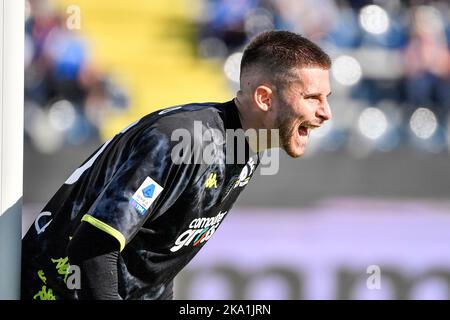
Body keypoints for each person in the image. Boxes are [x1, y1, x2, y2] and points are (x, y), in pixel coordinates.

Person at [21, 30, 332, 300]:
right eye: (313, 98)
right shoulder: (181, 142)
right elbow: (93, 246)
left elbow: (156, 261)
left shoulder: (246, 145)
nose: (326, 112)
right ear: (265, 98)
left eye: (326, 97)